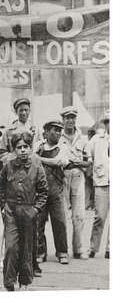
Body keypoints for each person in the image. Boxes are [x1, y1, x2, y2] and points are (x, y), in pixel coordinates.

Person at [0, 132, 48, 291]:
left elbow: (44, 192)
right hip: (11, 211)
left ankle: (25, 281)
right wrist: (3, 205)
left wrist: (36, 209)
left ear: (30, 148)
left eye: (26, 147)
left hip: (28, 212)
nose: (23, 150)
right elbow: (0, 184)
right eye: (19, 147)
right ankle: (9, 281)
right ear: (14, 150)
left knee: (27, 248)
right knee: (11, 247)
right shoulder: (8, 166)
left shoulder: (37, 167)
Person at [35, 120, 69, 264]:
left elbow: (59, 162)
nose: (58, 133)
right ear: (47, 131)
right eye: (55, 130)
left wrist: (40, 159)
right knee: (38, 222)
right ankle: (40, 252)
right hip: (40, 190)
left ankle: (62, 252)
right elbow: (31, 161)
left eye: (60, 130)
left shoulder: (63, 147)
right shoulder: (38, 146)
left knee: (59, 221)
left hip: (56, 190)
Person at [59, 106, 90, 259]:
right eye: (67, 118)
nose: (70, 120)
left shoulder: (82, 139)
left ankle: (78, 249)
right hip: (62, 177)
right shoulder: (58, 138)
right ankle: (63, 250)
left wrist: (77, 162)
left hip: (78, 178)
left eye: (72, 117)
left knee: (79, 215)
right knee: (62, 215)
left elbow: (88, 162)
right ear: (62, 120)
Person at [87, 112, 110, 259]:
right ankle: (93, 247)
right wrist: (90, 161)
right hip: (102, 181)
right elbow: (88, 152)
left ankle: (110, 248)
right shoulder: (98, 138)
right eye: (107, 121)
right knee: (100, 216)